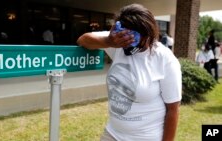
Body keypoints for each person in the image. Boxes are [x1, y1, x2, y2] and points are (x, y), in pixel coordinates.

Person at [77, 4, 182, 141]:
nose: (127, 41)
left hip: (146, 137)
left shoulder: (164, 59)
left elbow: (173, 110)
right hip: (113, 134)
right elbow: (83, 40)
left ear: (147, 34)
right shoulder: (118, 42)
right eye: (124, 33)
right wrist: (108, 41)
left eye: (133, 36)